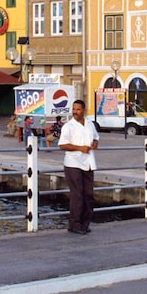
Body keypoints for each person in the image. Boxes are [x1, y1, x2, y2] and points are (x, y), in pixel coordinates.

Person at [58, 100, 98, 235]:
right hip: (73, 163)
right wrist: (79, 148)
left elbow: (96, 138)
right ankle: (74, 224)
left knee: (88, 194)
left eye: (78, 109)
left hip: (88, 163)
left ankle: (84, 223)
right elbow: (62, 145)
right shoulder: (68, 126)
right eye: (73, 109)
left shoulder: (90, 124)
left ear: (84, 110)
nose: (75, 112)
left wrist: (94, 143)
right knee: (77, 195)